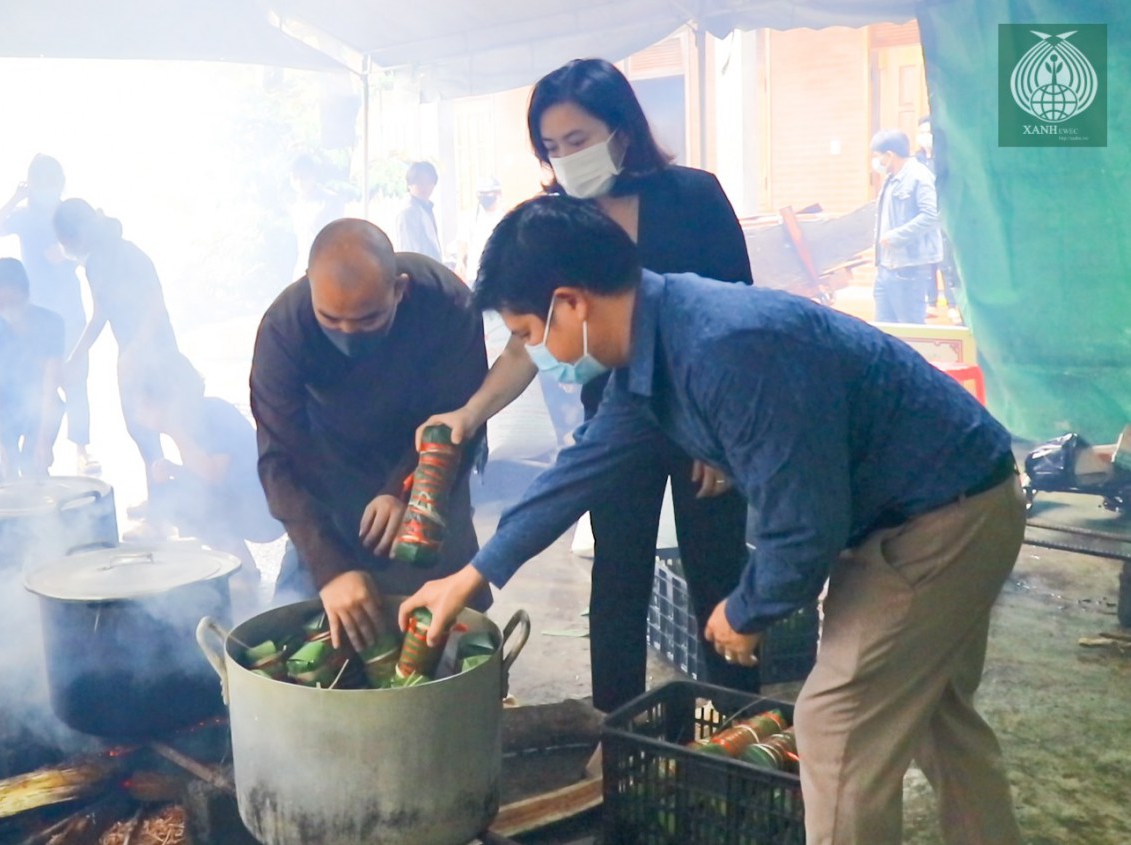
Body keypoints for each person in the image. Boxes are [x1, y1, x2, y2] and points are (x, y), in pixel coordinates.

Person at [405, 195, 1025, 845]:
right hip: (950, 494)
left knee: (835, 727)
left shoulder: (727, 347)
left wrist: (748, 608)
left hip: (938, 519)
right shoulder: (655, 348)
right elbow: (579, 470)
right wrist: (474, 574)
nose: (538, 355)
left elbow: (804, 522)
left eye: (531, 334)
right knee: (935, 715)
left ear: (570, 303)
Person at [419, 58, 757, 712]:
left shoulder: (693, 198)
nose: (564, 157)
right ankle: (617, 730)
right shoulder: (554, 223)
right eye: (551, 146)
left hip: (706, 423)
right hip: (619, 420)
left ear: (621, 132)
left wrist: (725, 441)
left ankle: (738, 727)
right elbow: (531, 337)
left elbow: (735, 324)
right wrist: (471, 411)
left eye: (577, 140)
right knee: (617, 581)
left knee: (719, 575)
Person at [250, 218, 487, 651]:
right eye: (331, 319)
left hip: (429, 462)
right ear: (309, 285)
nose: (348, 333)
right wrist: (331, 569)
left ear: (399, 289)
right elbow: (277, 457)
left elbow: (460, 417)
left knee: (442, 634)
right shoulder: (284, 328)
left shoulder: (446, 303)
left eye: (367, 319)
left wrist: (402, 488)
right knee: (308, 625)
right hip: (331, 464)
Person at [122, 351, 283, 604]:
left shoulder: (214, 412)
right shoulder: (190, 420)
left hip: (268, 509)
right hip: (243, 502)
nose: (139, 411)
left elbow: (212, 474)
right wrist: (174, 470)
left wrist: (172, 427)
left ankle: (242, 572)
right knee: (172, 494)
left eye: (144, 402)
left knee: (184, 501)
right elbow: (204, 475)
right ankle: (244, 567)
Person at [0, 154, 98, 474]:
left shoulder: (69, 214)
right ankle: (35, 446)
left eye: (52, 182)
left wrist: (68, 254)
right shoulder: (24, 216)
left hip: (70, 311)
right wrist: (15, 198)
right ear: (31, 185)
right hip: (32, 314)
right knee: (34, 383)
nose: (47, 189)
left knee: (75, 381)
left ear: (61, 184)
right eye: (40, 183)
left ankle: (82, 448)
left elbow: (91, 252)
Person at [53, 199, 176, 494]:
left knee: (158, 425)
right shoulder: (94, 263)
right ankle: (158, 501)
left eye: (66, 241)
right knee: (139, 429)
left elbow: (155, 307)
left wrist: (135, 350)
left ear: (79, 234)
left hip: (157, 353)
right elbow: (100, 314)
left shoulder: (128, 255)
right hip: (131, 355)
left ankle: (164, 512)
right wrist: (76, 356)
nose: (66, 248)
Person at [0, 258, 65, 478]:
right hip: (1, 409)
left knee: (35, 468)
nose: (4, 307)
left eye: (9, 301)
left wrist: (44, 441)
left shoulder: (51, 323)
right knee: (7, 474)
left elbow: (50, 388)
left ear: (24, 291)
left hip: (43, 406)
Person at [871, 129, 942, 324]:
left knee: (911, 333)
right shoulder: (891, 178)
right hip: (886, 268)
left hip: (908, 269)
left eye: (878, 156)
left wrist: (896, 236)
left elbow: (932, 215)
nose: (876, 162)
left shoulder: (919, 176)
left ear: (889, 155)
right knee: (885, 332)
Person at [915, 116, 963, 325]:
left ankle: (953, 305)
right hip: (924, 218)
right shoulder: (915, 160)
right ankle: (931, 302)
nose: (925, 137)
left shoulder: (945, 158)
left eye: (929, 132)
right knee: (927, 261)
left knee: (946, 262)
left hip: (944, 217)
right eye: (922, 132)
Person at [289, 153, 348, 281]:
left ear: (313, 175)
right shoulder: (296, 206)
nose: (299, 181)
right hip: (302, 266)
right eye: (295, 177)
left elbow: (336, 238)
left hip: (325, 267)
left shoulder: (330, 200)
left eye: (303, 176)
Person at [459, 176, 505, 286]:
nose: (485, 197)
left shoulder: (505, 216)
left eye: (488, 193)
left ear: (498, 193)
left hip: (498, 274)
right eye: (482, 193)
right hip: (474, 274)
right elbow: (463, 240)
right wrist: (460, 262)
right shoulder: (470, 217)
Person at [394, 161, 443, 262]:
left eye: (429, 182)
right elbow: (410, 253)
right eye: (420, 182)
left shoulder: (427, 208)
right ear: (410, 184)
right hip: (418, 272)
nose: (425, 187)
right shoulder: (407, 214)